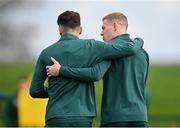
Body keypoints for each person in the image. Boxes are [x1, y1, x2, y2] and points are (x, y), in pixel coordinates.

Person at [30, 10, 143, 127]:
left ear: (60, 29)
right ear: (80, 29)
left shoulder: (46, 53)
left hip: (55, 117)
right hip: (82, 117)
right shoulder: (91, 46)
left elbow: (34, 90)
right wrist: (139, 41)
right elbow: (129, 49)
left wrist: (53, 91)